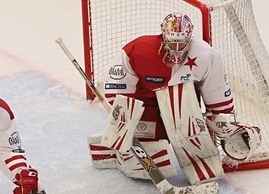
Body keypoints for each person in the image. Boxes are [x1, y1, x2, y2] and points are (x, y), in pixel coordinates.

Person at [89, 13, 260, 184]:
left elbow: (216, 94)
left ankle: (198, 162)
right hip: (144, 101)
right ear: (163, 36)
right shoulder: (140, 50)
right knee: (151, 161)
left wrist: (223, 122)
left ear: (189, 37)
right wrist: (125, 120)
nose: (177, 48)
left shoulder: (206, 55)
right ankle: (113, 152)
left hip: (180, 101)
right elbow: (116, 86)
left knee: (195, 141)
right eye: (172, 42)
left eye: (181, 42)